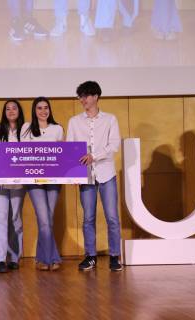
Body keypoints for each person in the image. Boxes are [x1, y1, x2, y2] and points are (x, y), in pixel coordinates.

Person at [66, 81, 123, 272]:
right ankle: (90, 256)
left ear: (96, 96)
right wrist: (74, 176)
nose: (83, 100)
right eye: (80, 96)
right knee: (88, 217)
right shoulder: (74, 121)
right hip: (85, 176)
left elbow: (114, 144)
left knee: (112, 216)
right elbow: (71, 148)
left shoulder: (110, 119)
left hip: (106, 173)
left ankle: (115, 255)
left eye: (86, 96)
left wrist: (94, 156)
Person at [21, 97, 63, 271]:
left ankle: (41, 258)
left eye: (46, 108)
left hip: (54, 180)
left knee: (48, 220)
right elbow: (23, 152)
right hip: (34, 179)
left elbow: (62, 154)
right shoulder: (26, 128)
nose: (43, 111)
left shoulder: (58, 129)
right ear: (34, 110)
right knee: (44, 220)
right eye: (39, 108)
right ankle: (51, 259)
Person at [0, 100, 26, 273]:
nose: (11, 111)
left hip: (20, 180)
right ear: (4, 112)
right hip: (0, 180)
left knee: (15, 218)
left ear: (19, 111)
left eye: (14, 108)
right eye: (7, 108)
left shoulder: (26, 130)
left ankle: (13, 256)